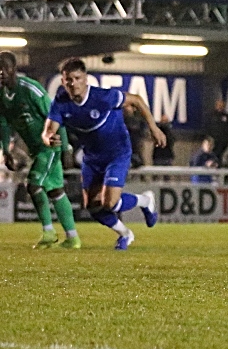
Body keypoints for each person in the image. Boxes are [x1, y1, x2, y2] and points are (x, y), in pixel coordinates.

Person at [42, 58, 165, 251]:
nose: (72, 83)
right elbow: (48, 130)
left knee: (109, 202)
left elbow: (136, 100)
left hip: (117, 152)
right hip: (92, 158)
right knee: (92, 207)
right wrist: (48, 138)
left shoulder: (102, 97)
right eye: (68, 80)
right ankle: (125, 234)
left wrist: (154, 128)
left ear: (85, 79)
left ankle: (145, 201)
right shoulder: (61, 102)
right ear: (63, 81)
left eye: (77, 78)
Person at [0, 51, 81, 249]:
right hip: (35, 149)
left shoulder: (30, 89)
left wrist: (66, 147)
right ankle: (72, 238)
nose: (0, 72)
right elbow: (3, 123)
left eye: (4, 68)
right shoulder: (1, 95)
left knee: (33, 184)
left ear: (14, 69)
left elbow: (55, 115)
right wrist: (6, 151)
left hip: (50, 145)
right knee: (55, 191)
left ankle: (48, 232)